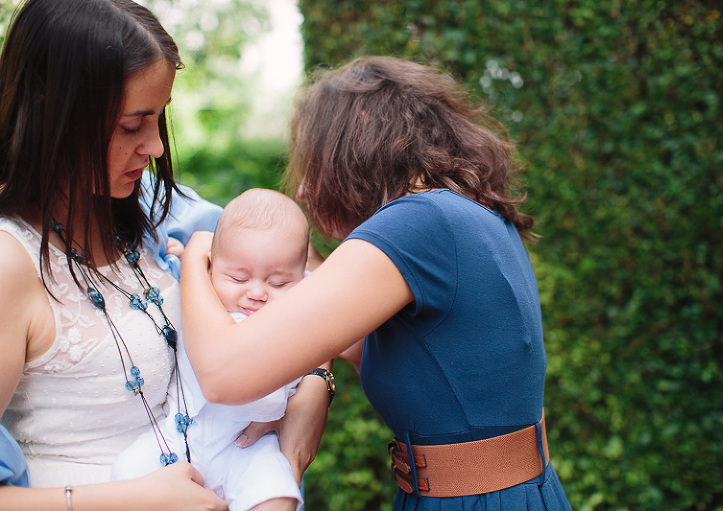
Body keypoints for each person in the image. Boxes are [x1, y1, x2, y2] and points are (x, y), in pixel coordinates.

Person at [180, 56, 572, 510]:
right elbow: (358, 346)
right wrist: (309, 388)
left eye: (316, 161)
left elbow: (224, 374)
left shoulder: (418, 224)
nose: (305, 190)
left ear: (360, 139)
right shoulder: (462, 213)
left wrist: (195, 255)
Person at [0, 1, 327, 509]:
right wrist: (130, 498)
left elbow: (314, 292)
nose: (155, 146)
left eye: (160, 117)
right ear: (57, 118)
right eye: (132, 125)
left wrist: (313, 386)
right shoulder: (9, 259)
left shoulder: (162, 213)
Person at [112, 188, 312, 511]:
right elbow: (178, 286)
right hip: (178, 435)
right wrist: (183, 261)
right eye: (238, 278)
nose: (258, 293)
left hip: (248, 446)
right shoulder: (199, 302)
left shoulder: (290, 329)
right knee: (130, 469)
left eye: (279, 284)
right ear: (211, 269)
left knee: (277, 492)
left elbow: (270, 398)